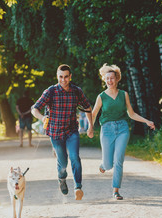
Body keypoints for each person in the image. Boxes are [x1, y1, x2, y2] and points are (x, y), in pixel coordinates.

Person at [92, 64, 155, 200]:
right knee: (109, 164)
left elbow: (131, 114)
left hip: (122, 129)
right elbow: (94, 114)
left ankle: (116, 191)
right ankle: (103, 165)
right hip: (107, 130)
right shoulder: (101, 97)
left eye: (112, 78)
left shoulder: (123, 94)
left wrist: (146, 121)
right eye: (107, 78)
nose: (110, 81)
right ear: (104, 80)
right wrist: (90, 128)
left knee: (118, 160)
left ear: (117, 79)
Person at [31, 64, 94, 200]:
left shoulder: (76, 91)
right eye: (61, 77)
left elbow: (88, 107)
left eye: (66, 77)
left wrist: (90, 126)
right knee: (63, 164)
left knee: (75, 157)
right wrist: (42, 118)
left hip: (71, 131)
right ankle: (62, 178)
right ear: (57, 77)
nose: (63, 80)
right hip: (55, 133)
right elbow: (34, 109)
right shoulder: (51, 91)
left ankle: (78, 187)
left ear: (70, 77)